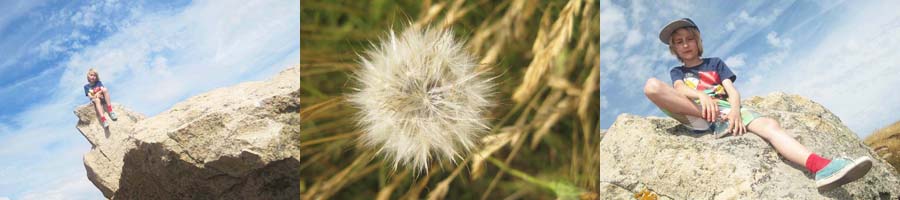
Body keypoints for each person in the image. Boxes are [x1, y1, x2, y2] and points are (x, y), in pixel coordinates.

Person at [643, 18, 873, 191]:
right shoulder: (678, 71)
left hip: (725, 110)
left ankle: (821, 167)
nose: (685, 45)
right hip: (696, 113)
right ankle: (714, 121)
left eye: (689, 38)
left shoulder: (715, 63)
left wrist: (734, 111)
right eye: (678, 42)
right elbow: (679, 89)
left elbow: (731, 90)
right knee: (652, 86)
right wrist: (701, 96)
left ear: (698, 40)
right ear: (674, 49)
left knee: (770, 125)